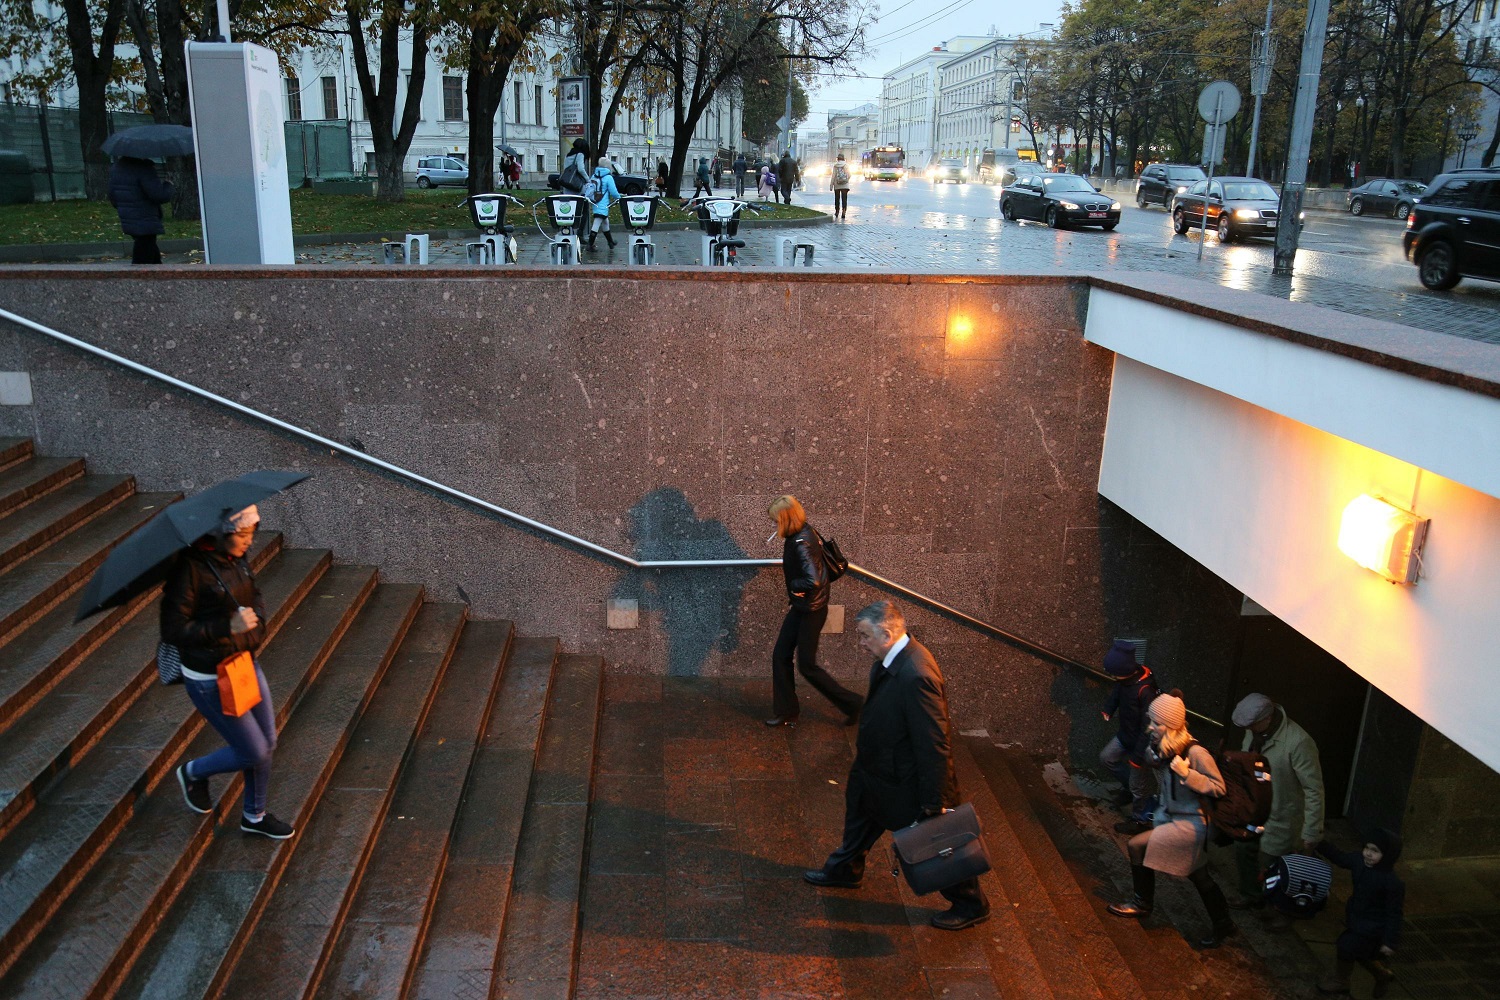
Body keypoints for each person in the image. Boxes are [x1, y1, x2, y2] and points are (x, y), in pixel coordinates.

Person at [803, 601, 990, 931]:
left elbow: (934, 742)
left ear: (886, 633)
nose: (861, 644)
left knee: (935, 841)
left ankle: (970, 903)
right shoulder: (891, 661)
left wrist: (937, 802)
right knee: (860, 815)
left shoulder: (917, 675)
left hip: (903, 781)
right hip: (876, 770)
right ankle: (845, 869)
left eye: (864, 636)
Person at [163, 505, 294, 840]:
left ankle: (254, 814)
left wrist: (252, 631)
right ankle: (193, 772)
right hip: (210, 677)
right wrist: (227, 625)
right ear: (221, 533)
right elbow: (175, 629)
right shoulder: (189, 568)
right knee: (254, 750)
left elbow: (256, 598)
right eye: (243, 535)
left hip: (244, 663)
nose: (249, 542)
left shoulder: (235, 559)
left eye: (253, 533)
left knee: (268, 740)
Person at [1106, 689, 1235, 948]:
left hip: (1190, 824)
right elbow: (1153, 760)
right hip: (1171, 817)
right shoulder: (1165, 745)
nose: (1150, 727)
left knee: (1136, 845)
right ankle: (1224, 926)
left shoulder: (1196, 753)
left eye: (1156, 723)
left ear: (1172, 725)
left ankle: (1142, 903)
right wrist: (1155, 755)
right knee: (1199, 876)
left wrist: (1188, 774)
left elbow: (1219, 787)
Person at [765, 495, 864, 727]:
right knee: (781, 656)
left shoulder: (801, 544)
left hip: (810, 610)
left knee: (807, 666)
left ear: (785, 519)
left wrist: (795, 587)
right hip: (804, 607)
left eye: (775, 520)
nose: (774, 525)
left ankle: (853, 703)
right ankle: (787, 711)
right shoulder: (804, 532)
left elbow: (815, 580)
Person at [1229, 693, 1325, 928]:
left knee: (1276, 865)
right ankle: (1251, 895)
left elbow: (1313, 789)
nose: (1248, 729)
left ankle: (1280, 910)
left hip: (1281, 815)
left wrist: (1311, 831)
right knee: (1244, 850)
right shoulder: (1254, 732)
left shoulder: (1298, 742)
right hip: (1254, 809)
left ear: (1267, 718)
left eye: (1252, 725)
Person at [1316, 830, 1404, 997]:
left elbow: (1394, 913)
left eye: (1375, 851)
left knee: (1346, 946)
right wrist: (1320, 843)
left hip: (1374, 927)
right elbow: (1340, 858)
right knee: (1360, 953)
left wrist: (1390, 941)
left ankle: (1341, 981)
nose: (1368, 854)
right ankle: (1381, 974)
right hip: (1357, 918)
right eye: (1367, 848)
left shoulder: (1392, 883)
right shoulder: (1359, 861)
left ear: (1387, 855)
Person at [1097, 639, 1158, 831]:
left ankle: (1140, 819)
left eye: (1115, 673)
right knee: (1107, 758)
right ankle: (1128, 788)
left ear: (1124, 671)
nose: (1113, 676)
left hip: (1141, 744)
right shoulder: (1125, 679)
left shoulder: (1145, 690)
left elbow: (1149, 728)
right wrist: (1109, 708)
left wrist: (1138, 757)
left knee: (1139, 786)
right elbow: (1117, 692)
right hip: (1126, 735)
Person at [108, 156, 175, 264]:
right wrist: (168, 184)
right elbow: (158, 195)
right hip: (146, 217)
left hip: (128, 216)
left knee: (149, 251)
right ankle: (141, 279)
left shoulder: (117, 168)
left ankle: (157, 277)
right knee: (144, 256)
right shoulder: (144, 169)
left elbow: (112, 195)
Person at [586, 156, 620, 252]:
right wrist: (618, 198)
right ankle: (590, 244)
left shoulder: (594, 175)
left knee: (605, 221)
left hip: (595, 201)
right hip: (603, 203)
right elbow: (613, 191)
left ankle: (610, 242)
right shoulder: (608, 177)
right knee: (597, 222)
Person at [829, 153, 852, 220]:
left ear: (838, 159)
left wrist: (831, 185)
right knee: (844, 199)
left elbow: (833, 176)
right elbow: (849, 174)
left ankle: (837, 211)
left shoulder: (835, 165)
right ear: (844, 159)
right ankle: (844, 212)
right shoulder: (846, 165)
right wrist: (846, 180)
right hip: (845, 185)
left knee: (837, 198)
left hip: (837, 185)